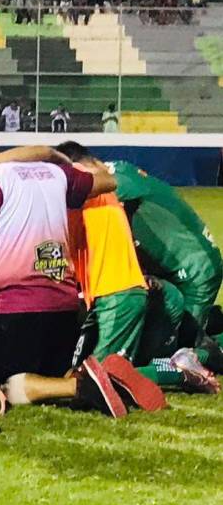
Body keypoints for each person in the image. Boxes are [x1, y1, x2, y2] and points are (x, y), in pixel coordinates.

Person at [0, 139, 162, 416]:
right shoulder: (54, 172)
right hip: (64, 309)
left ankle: (82, 385)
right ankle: (93, 379)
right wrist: (47, 156)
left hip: (17, 306)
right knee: (50, 375)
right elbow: (108, 181)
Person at [56, 142, 216, 393]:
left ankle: (195, 362)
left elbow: (118, 186)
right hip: (163, 272)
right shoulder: (113, 178)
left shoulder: (114, 178)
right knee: (158, 346)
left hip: (195, 269)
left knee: (184, 347)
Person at [108, 158, 223, 331]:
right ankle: (213, 322)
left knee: (185, 339)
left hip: (196, 270)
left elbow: (128, 186)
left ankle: (213, 333)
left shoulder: (117, 180)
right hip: (168, 267)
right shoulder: (115, 171)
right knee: (159, 329)